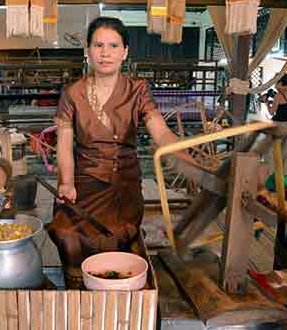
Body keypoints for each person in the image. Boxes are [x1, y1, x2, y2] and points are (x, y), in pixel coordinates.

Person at [47, 17, 190, 271]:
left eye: (113, 46)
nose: (105, 53)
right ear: (88, 50)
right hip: (84, 184)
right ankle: (80, 295)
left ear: (125, 52)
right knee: (67, 235)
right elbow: (65, 146)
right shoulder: (73, 93)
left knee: (116, 237)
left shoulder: (138, 90)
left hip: (124, 185)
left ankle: (113, 299)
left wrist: (181, 155)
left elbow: (160, 130)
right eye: (98, 45)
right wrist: (66, 183)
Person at [254, 73, 287, 175]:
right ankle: (283, 178)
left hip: (279, 127)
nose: (274, 84)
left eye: (275, 82)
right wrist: (272, 102)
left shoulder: (278, 95)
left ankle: (270, 176)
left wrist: (266, 102)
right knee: (286, 154)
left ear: (280, 82)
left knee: (271, 153)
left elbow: (271, 112)